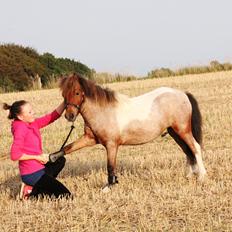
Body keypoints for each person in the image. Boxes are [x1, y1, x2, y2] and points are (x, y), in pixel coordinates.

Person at [3, 100, 71, 199]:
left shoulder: (31, 123)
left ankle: (34, 187)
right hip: (32, 174)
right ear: (20, 117)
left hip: (40, 168)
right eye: (30, 112)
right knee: (66, 196)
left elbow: (51, 117)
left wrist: (65, 102)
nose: (33, 113)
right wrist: (37, 157)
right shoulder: (20, 129)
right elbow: (15, 155)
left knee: (60, 160)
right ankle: (32, 194)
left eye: (32, 110)